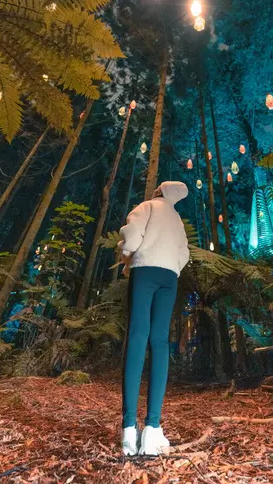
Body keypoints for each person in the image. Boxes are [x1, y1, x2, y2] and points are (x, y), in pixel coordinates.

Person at [118, 181, 189, 456]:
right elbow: (184, 253)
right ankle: (152, 430)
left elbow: (132, 235)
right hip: (169, 276)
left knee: (138, 336)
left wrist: (127, 252)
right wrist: (171, 267)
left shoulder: (146, 206)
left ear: (159, 191)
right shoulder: (178, 220)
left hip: (145, 270)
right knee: (160, 342)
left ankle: (128, 431)